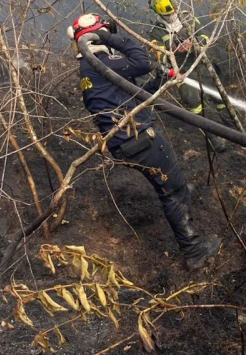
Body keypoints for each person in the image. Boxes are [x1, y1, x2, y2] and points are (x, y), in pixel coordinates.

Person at [68, 13, 220, 271]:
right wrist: (109, 37)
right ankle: (194, 251)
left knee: (172, 183)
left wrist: (160, 79)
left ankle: (179, 190)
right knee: (173, 193)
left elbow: (136, 97)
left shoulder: (92, 69)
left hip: (127, 143)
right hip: (140, 140)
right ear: (98, 36)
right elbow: (142, 60)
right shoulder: (102, 63)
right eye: (104, 34)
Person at [147, 0, 229, 153]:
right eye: (168, 14)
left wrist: (194, 43)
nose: (172, 16)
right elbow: (159, 58)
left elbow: (205, 36)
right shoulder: (156, 31)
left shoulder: (187, 17)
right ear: (159, 12)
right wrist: (174, 50)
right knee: (193, 103)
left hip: (201, 64)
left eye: (173, 11)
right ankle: (212, 137)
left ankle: (233, 128)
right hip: (181, 71)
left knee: (219, 97)